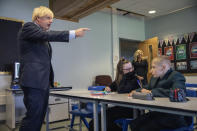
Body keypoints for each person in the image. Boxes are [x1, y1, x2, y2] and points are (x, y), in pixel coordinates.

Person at [18, 6, 89, 131]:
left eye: (52, 19)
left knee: (38, 117)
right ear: (37, 19)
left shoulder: (40, 36)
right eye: (48, 18)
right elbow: (48, 35)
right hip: (34, 81)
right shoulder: (28, 27)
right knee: (33, 117)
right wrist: (73, 33)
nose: (51, 21)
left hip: (41, 83)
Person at [129, 56, 192, 131]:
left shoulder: (176, 76)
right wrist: (136, 91)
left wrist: (152, 92)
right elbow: (147, 87)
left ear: (163, 67)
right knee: (135, 123)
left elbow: (178, 92)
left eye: (153, 67)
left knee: (144, 128)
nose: (150, 71)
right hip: (159, 113)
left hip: (174, 116)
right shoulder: (154, 77)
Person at [89, 58, 141, 131]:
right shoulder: (119, 80)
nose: (131, 71)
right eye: (128, 69)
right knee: (95, 121)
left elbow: (122, 90)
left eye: (131, 68)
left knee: (105, 120)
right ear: (121, 72)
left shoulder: (134, 79)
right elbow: (111, 86)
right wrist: (108, 88)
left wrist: (126, 75)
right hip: (121, 108)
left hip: (132, 109)